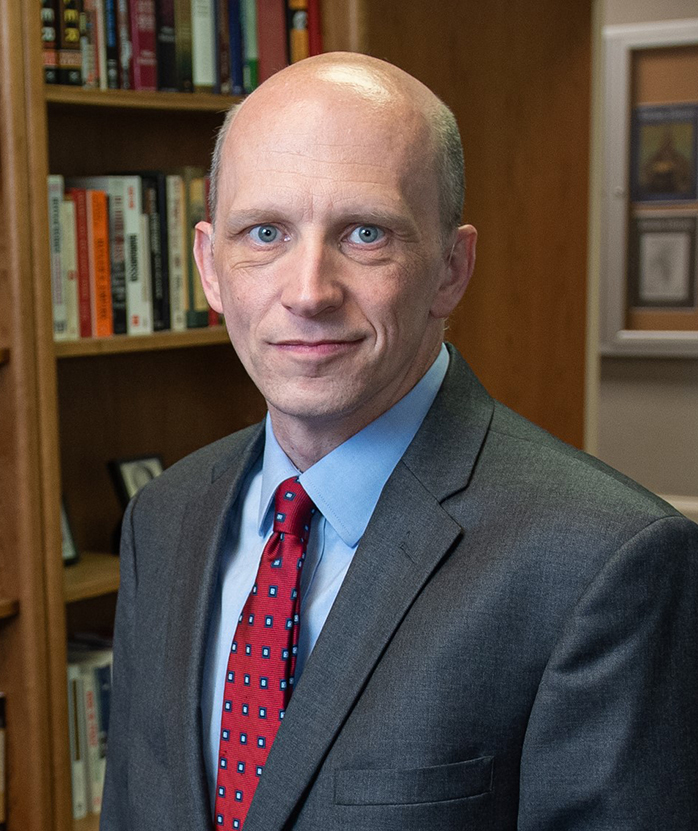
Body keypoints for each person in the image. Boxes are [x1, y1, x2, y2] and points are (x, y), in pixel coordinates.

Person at [101, 53, 698, 831]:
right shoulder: (164, 516)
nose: (309, 290)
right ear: (211, 268)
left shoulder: (607, 564)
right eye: (266, 232)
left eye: (364, 232)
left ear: (451, 269)